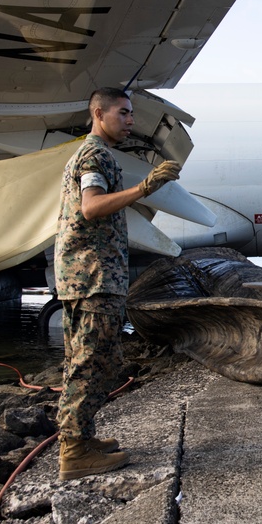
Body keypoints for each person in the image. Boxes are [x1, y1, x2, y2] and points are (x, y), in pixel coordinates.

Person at [54, 87, 181, 480]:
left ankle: (83, 438)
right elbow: (92, 207)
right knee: (91, 362)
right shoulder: (94, 155)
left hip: (90, 277)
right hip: (92, 278)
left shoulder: (94, 154)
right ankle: (74, 453)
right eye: (123, 113)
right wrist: (145, 189)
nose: (130, 120)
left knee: (95, 360)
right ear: (98, 113)